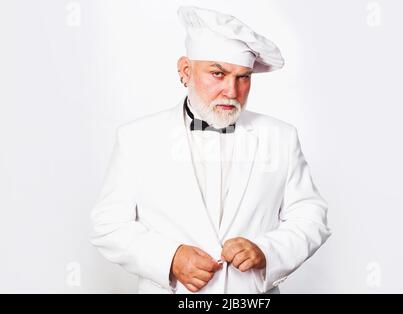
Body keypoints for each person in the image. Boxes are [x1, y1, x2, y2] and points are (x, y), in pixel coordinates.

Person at [90, 5, 331, 294]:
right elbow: (108, 224)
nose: (232, 91)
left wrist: (268, 251)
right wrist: (170, 258)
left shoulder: (281, 137)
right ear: (186, 71)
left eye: (243, 77)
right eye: (218, 74)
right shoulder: (137, 139)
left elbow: (310, 216)